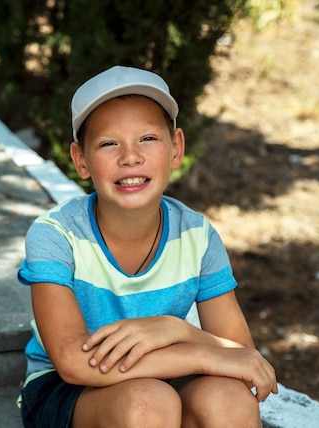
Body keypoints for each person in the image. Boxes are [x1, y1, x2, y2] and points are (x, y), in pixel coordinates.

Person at [17, 66, 277, 427]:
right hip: (68, 390)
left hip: (167, 376)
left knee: (229, 400)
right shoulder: (57, 235)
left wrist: (178, 330)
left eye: (148, 139)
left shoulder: (197, 236)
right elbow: (74, 363)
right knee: (148, 402)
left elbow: (240, 355)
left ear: (176, 148)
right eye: (109, 143)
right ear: (80, 160)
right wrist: (200, 355)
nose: (130, 157)